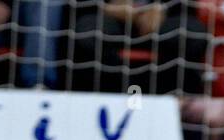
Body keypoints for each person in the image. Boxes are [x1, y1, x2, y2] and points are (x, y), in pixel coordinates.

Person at [69, 0, 210, 96]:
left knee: (191, 33)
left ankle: (179, 96)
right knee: (88, 31)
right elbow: (76, 8)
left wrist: (162, 10)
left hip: (160, 29)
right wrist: (107, 8)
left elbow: (187, 9)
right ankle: (96, 93)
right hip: (110, 26)